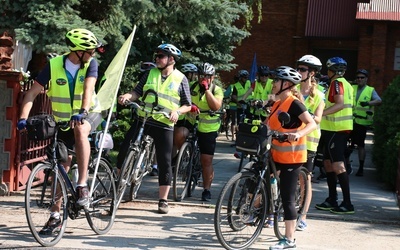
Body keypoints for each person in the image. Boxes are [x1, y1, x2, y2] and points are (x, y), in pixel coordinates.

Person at [17, 28, 103, 234]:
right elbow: (31, 93)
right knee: (60, 167)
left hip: (89, 113)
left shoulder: (91, 64)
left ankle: (82, 185)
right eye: (90, 50)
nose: (93, 53)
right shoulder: (54, 65)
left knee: (81, 130)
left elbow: (89, 89)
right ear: (78, 51)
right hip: (63, 121)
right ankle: (55, 216)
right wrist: (22, 118)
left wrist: (82, 111)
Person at [117, 43, 191, 214]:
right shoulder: (150, 73)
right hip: (144, 118)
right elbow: (136, 92)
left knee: (164, 160)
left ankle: (163, 200)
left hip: (164, 123)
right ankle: (118, 183)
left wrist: (177, 112)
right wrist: (127, 96)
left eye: (161, 56)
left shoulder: (181, 79)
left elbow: (187, 105)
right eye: (156, 55)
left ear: (171, 59)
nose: (157, 59)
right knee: (124, 149)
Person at [267, 66, 316, 249]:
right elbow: (268, 124)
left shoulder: (295, 103)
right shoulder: (277, 103)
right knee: (261, 180)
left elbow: (311, 124)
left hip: (292, 157)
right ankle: (257, 212)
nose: (273, 83)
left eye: (276, 80)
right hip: (275, 154)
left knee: (288, 198)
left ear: (285, 84)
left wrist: (298, 133)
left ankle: (289, 240)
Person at [315, 57, 355, 214]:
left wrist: (320, 114)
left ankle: (347, 203)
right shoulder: (346, 84)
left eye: (328, 69)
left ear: (331, 71)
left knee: (338, 165)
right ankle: (332, 199)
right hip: (331, 129)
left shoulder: (337, 84)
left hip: (337, 129)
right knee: (327, 164)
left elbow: (339, 104)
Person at [294, 55, 325, 231]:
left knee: (305, 179)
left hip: (309, 142)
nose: (299, 72)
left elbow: (318, 118)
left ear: (311, 73)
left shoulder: (319, 95)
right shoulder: (292, 89)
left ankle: (303, 216)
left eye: (303, 69)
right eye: (298, 68)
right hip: (291, 141)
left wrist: (304, 113)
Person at [185, 63, 223, 201]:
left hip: (208, 129)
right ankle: (179, 160)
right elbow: (183, 101)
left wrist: (207, 90)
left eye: (207, 76)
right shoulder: (192, 87)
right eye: (202, 76)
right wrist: (190, 106)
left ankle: (206, 189)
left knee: (206, 161)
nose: (204, 78)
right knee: (179, 133)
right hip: (192, 122)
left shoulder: (216, 90)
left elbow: (215, 105)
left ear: (212, 77)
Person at [349, 69, 382, 176]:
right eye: (358, 77)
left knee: (360, 145)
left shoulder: (370, 90)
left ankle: (361, 168)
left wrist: (368, 102)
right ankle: (346, 166)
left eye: (362, 77)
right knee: (347, 144)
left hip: (361, 123)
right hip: (349, 121)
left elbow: (378, 101)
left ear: (366, 79)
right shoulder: (351, 88)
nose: (359, 79)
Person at [229, 70, 252, 140]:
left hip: (249, 105)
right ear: (241, 78)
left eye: (247, 77)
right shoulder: (236, 85)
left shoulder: (249, 83)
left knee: (250, 121)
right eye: (244, 77)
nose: (246, 79)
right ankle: (238, 138)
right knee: (239, 123)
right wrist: (238, 102)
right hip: (240, 106)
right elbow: (234, 96)